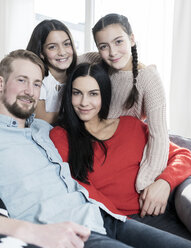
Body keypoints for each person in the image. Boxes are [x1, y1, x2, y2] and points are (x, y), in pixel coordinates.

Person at [0, 49, 191, 248]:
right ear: (0, 83)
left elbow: (90, 73)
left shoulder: (44, 130)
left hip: (105, 216)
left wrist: (135, 64)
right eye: (21, 80)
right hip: (68, 233)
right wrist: (28, 231)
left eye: (37, 83)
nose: (30, 91)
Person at [50, 63, 191, 239]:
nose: (84, 102)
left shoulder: (130, 125)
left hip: (164, 208)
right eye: (77, 93)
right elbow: (79, 186)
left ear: (104, 95)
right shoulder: (60, 136)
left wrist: (165, 182)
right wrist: (121, 222)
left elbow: (183, 155)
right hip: (121, 222)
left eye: (93, 94)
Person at [78, 14, 169, 202]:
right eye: (104, 46)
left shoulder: (148, 78)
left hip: (128, 157)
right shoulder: (99, 63)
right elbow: (71, 60)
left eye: (118, 41)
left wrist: (144, 182)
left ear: (132, 39)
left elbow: (159, 137)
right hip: (99, 153)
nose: (112, 52)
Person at [26, 19, 77, 124]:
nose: (62, 52)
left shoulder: (75, 76)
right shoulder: (38, 78)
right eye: (52, 47)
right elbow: (41, 119)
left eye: (66, 44)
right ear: (41, 52)